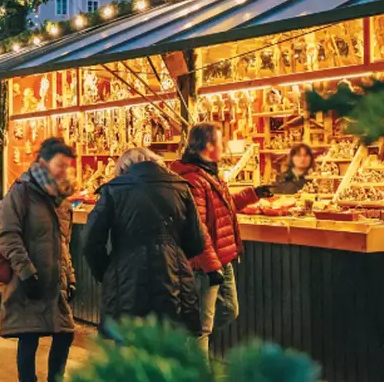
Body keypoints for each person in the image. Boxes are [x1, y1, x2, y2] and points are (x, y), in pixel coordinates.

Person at [167, 123, 273, 354]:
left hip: (221, 258)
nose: (224, 145)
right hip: (204, 264)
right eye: (220, 141)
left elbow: (222, 207)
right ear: (208, 145)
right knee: (202, 326)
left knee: (229, 310)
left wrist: (253, 194)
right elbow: (197, 227)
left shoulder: (209, 173)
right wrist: (210, 265)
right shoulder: (193, 179)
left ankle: (187, 347)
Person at [82, 147, 206, 335]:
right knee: (169, 341)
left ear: (123, 168)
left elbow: (90, 240)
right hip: (173, 280)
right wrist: (173, 256)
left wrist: (107, 271)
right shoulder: (180, 187)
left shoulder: (114, 190)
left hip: (126, 281)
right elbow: (197, 241)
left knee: (127, 342)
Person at [0, 138, 80, 382]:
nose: (64, 170)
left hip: (56, 282)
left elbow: (63, 243)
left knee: (65, 335)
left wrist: (70, 277)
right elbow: (8, 235)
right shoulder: (21, 192)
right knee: (29, 336)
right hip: (29, 279)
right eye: (60, 164)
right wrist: (26, 272)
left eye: (67, 166)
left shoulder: (62, 200)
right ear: (43, 162)